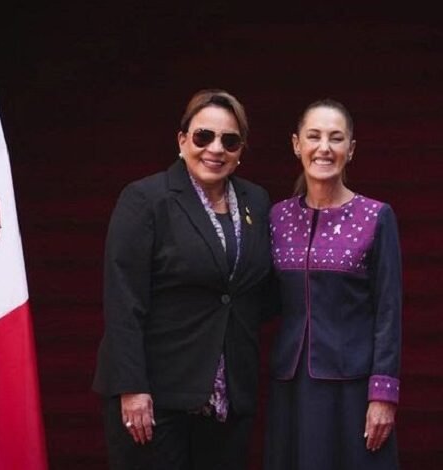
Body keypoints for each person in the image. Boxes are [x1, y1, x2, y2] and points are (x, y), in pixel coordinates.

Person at [93, 89, 273, 470]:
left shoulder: (256, 202)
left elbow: (258, 293)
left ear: (241, 150)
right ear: (181, 140)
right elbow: (124, 301)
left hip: (227, 399)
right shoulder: (146, 199)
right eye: (203, 136)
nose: (216, 149)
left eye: (229, 141)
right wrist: (132, 386)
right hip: (155, 398)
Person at [264, 99, 402, 469]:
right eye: (314, 136)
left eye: (335, 138)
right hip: (290, 386)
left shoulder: (376, 216)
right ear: (297, 145)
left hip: (353, 388)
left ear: (350, 149)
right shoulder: (277, 217)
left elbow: (388, 310)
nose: (324, 147)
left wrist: (383, 394)